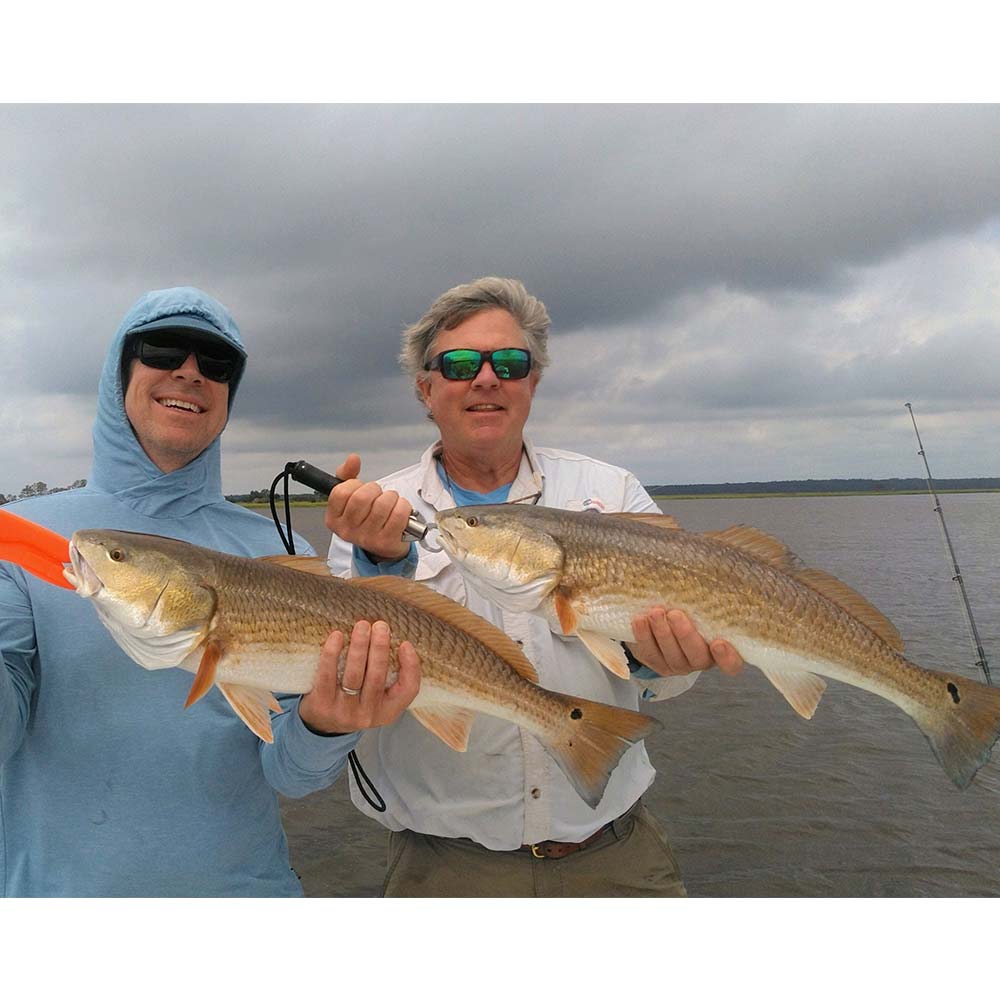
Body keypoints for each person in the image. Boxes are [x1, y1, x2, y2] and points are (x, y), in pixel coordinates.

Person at [326, 276, 743, 897]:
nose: (486, 379)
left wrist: (658, 662)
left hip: (616, 853)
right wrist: (379, 567)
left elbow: (668, 682)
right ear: (426, 389)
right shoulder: (372, 517)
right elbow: (356, 682)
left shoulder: (612, 496)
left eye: (511, 363)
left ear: (534, 382)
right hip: (445, 868)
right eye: (461, 363)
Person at [0, 286, 419, 897]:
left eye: (215, 363)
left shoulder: (281, 558)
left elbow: (293, 777)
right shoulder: (23, 539)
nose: (190, 371)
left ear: (228, 397)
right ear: (120, 375)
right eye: (163, 349)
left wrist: (327, 727)